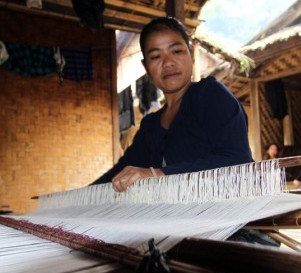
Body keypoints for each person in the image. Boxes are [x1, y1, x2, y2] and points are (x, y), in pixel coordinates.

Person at [91, 17, 252, 192]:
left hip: (221, 216)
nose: (168, 63)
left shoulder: (211, 95)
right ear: (146, 66)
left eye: (176, 51)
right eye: (156, 56)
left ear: (190, 54)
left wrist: (158, 174)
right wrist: (68, 201)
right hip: (175, 218)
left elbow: (238, 161)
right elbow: (119, 173)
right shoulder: (150, 127)